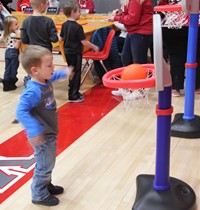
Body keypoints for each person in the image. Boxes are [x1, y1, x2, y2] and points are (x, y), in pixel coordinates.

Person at [16, 45, 73, 206]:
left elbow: (53, 77)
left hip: (49, 132)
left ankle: (46, 185)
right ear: (35, 70)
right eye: (49, 66)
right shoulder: (33, 91)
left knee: (48, 163)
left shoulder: (44, 79)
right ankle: (39, 194)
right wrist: (34, 131)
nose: (53, 68)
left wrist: (63, 73)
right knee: (44, 165)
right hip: (42, 136)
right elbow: (21, 111)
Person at [108, 0, 153, 97]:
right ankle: (126, 86)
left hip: (141, 32)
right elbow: (131, 14)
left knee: (139, 63)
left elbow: (133, 19)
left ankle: (141, 90)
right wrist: (121, 14)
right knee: (125, 58)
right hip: (133, 31)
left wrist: (116, 18)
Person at [158, 0, 200, 96]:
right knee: (195, 55)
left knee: (176, 56)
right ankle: (196, 86)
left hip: (172, 23)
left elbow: (161, 6)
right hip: (191, 21)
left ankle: (176, 87)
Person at [59, 1, 99, 103]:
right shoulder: (78, 27)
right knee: (76, 73)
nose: (80, 13)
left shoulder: (64, 25)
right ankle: (73, 95)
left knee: (71, 72)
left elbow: (60, 38)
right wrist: (94, 47)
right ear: (73, 12)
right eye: (78, 11)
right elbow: (84, 41)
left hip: (67, 52)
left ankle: (73, 92)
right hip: (75, 53)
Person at [20, 0, 58, 85]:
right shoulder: (49, 21)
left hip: (32, 52)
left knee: (33, 71)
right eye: (46, 4)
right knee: (45, 72)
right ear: (42, 5)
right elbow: (54, 39)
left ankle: (30, 86)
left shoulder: (25, 21)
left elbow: (24, 40)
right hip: (45, 52)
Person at [0, 16, 21, 91]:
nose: (18, 25)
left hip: (7, 52)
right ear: (10, 26)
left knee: (7, 68)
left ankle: (6, 83)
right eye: (16, 24)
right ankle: (11, 84)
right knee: (14, 69)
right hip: (14, 51)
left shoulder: (4, 33)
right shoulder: (16, 33)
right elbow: (19, 42)